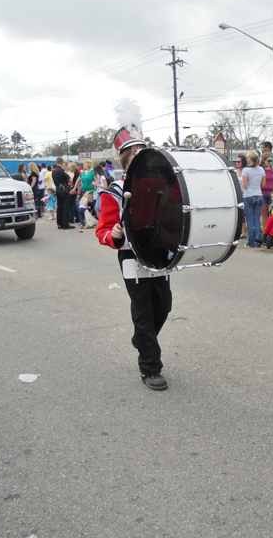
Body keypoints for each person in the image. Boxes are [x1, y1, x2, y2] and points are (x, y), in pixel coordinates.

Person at [95, 124, 172, 391]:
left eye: (142, 149)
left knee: (164, 306)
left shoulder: (160, 183)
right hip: (130, 253)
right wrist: (114, 233)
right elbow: (103, 231)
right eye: (132, 151)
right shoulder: (114, 190)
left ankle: (142, 339)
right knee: (143, 310)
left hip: (159, 250)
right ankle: (150, 367)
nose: (138, 153)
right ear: (124, 158)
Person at [242, 150, 265, 248]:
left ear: (250, 159)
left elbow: (244, 185)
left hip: (248, 196)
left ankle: (250, 242)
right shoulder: (261, 170)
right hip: (258, 195)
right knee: (257, 219)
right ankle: (257, 241)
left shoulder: (246, 170)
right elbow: (263, 184)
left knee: (250, 220)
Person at [51, 157, 72, 229]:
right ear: (62, 163)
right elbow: (70, 180)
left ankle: (59, 223)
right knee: (65, 207)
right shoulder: (62, 171)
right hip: (64, 189)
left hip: (57, 189)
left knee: (59, 207)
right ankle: (65, 223)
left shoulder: (54, 171)